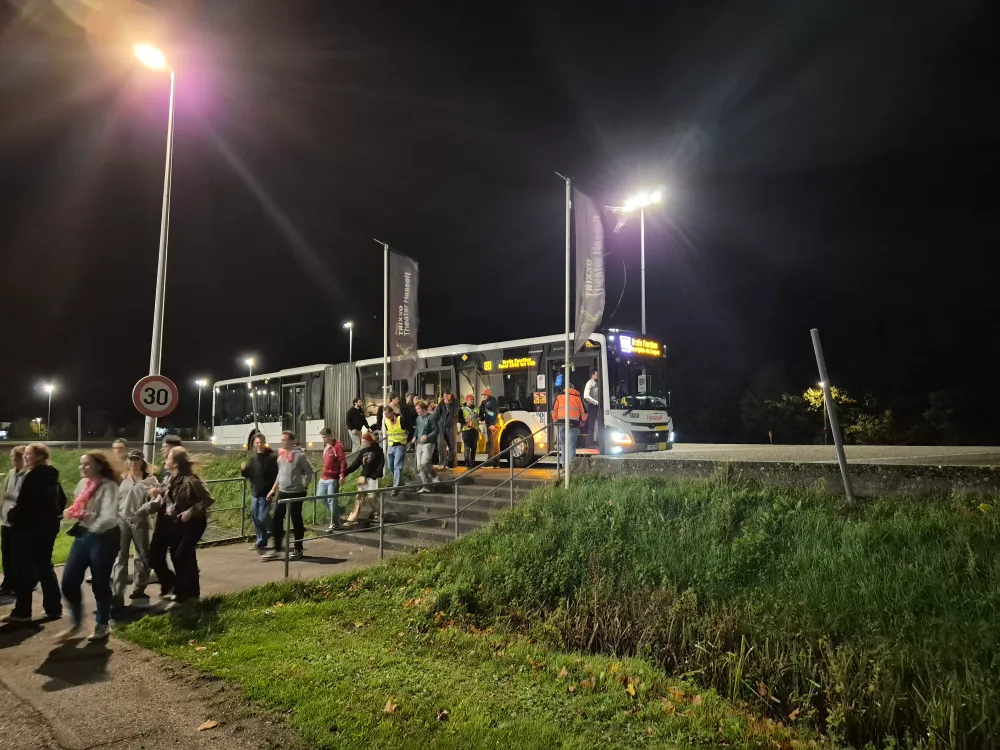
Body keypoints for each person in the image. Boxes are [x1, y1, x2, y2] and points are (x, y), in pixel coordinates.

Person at [57, 451, 121, 641]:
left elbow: (109, 516)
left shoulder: (109, 487)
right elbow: (78, 507)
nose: (82, 468)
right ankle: (76, 622)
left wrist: (89, 519)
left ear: (99, 466)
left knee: (100, 581)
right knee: (68, 581)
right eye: (81, 464)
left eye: (87, 464)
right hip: (84, 534)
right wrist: (70, 513)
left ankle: (102, 623)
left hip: (104, 536)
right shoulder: (82, 484)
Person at [140, 447, 213, 609]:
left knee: (181, 556)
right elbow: (170, 497)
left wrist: (190, 511)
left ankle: (184, 596)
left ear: (175, 463)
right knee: (178, 557)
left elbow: (208, 500)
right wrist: (158, 492)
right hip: (180, 524)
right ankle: (182, 591)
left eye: (168, 458)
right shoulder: (173, 479)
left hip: (195, 524)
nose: (164, 461)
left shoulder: (190, 480)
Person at [2, 444, 63, 624]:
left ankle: (22, 612)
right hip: (46, 531)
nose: (26, 457)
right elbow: (60, 501)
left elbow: (25, 505)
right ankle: (53, 609)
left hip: (27, 531)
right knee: (44, 567)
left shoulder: (33, 476)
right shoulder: (52, 477)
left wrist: (12, 516)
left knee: (23, 570)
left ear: (39, 456)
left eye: (29, 454)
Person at [111, 450, 159, 609]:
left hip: (140, 521)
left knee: (142, 555)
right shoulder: (122, 478)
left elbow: (157, 500)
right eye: (131, 459)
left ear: (142, 462)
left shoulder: (150, 480)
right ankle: (117, 593)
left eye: (137, 459)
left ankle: (139, 588)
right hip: (122, 520)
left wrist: (151, 503)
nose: (133, 462)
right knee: (120, 557)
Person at [262, 431, 314, 561]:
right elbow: (279, 475)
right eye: (281, 440)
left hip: (296, 492)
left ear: (291, 441)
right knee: (277, 519)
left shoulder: (299, 456)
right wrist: (273, 490)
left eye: (284, 440)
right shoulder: (281, 456)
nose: (282, 442)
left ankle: (298, 548)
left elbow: (309, 472)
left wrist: (305, 486)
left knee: (296, 519)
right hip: (283, 492)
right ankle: (276, 548)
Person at [142, 435, 183, 598]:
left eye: (164, 446)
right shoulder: (165, 468)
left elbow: (178, 492)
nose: (161, 449)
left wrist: (161, 491)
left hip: (174, 520)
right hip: (163, 517)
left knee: (177, 557)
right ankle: (169, 584)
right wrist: (158, 491)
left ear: (173, 450)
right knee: (154, 555)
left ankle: (178, 589)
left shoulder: (181, 470)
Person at [241, 435, 278, 554]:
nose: (259, 444)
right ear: (254, 444)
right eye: (257, 443)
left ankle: (277, 532)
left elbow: (276, 475)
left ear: (265, 443)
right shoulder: (253, 458)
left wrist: (272, 490)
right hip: (255, 492)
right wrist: (244, 470)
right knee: (255, 517)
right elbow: (249, 475)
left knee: (263, 516)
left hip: (266, 493)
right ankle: (261, 541)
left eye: (261, 442)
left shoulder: (271, 458)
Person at [342, 431, 384, 524]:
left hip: (373, 478)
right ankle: (353, 517)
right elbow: (356, 464)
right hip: (363, 477)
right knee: (359, 497)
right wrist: (345, 473)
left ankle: (380, 514)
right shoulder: (363, 451)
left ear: (370, 441)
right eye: (362, 441)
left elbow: (381, 464)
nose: (362, 443)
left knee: (371, 497)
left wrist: (376, 475)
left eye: (364, 441)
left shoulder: (377, 450)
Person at [0, 446, 26, 596]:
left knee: (18, 553)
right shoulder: (11, 473)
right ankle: (8, 581)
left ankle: (19, 582)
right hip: (6, 518)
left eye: (14, 457)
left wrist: (11, 496)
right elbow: (5, 493)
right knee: (6, 550)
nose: (12, 460)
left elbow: (25, 497)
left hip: (18, 519)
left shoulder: (27, 475)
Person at [552, 382, 587, 472]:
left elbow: (554, 410)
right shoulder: (578, 398)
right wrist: (582, 422)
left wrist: (555, 420)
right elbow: (584, 412)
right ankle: (571, 467)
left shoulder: (559, 396)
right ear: (573, 389)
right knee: (571, 445)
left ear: (565, 389)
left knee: (563, 445)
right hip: (573, 424)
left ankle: (564, 465)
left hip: (561, 423)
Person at [318, 428, 346, 531]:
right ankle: (338, 512)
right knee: (320, 497)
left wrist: (341, 474)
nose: (323, 439)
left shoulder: (337, 446)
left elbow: (342, 461)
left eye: (325, 437)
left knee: (331, 500)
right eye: (322, 437)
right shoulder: (327, 447)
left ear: (330, 435)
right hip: (323, 477)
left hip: (332, 477)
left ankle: (334, 523)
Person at [413, 400, 440, 493]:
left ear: (423, 408)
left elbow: (436, 430)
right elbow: (417, 429)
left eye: (418, 409)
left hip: (429, 443)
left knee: (425, 462)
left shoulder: (430, 418)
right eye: (416, 409)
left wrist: (427, 436)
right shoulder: (418, 418)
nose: (417, 411)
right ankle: (425, 486)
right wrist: (414, 437)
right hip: (419, 443)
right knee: (419, 466)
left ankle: (434, 475)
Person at [381, 407, 408, 496]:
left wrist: (408, 441)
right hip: (391, 445)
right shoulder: (386, 421)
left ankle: (395, 487)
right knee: (390, 466)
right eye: (385, 414)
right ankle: (400, 482)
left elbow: (409, 429)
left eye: (387, 413)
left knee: (397, 466)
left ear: (392, 412)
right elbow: (389, 432)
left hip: (400, 444)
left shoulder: (401, 419)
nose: (386, 416)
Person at [436, 390, 460, 470]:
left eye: (447, 395)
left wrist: (448, 405)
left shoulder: (455, 403)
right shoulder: (441, 403)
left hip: (451, 426)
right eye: (444, 395)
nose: (445, 397)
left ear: (451, 395)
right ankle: (442, 463)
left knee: (452, 445)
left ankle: (451, 464)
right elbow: (437, 413)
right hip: (441, 426)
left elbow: (454, 413)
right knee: (440, 444)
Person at [479, 387, 500, 467]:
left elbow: (495, 413)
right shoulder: (485, 402)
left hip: (493, 425)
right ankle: (496, 463)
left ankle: (490, 462)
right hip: (490, 424)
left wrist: (493, 424)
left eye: (485, 395)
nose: (484, 396)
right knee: (495, 443)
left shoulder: (493, 401)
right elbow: (481, 411)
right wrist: (481, 417)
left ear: (489, 395)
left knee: (492, 443)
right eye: (483, 395)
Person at [460, 395, 480, 470]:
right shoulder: (462, 409)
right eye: (470, 399)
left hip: (475, 430)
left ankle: (472, 463)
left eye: (473, 399)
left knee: (474, 448)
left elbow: (481, 416)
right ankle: (467, 464)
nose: (472, 400)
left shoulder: (477, 408)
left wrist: (479, 418)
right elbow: (459, 419)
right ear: (467, 400)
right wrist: (465, 421)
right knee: (467, 448)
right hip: (466, 430)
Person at [583, 370, 601, 448]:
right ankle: (590, 443)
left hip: (598, 405)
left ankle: (597, 441)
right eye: (596, 375)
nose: (597, 377)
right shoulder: (589, 383)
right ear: (592, 375)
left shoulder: (598, 383)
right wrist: (595, 402)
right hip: (592, 405)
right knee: (591, 424)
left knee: (599, 423)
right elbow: (586, 396)